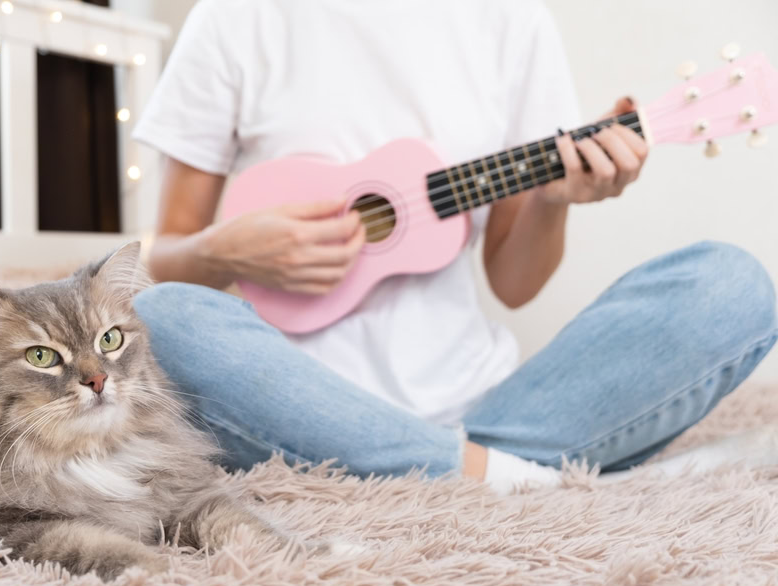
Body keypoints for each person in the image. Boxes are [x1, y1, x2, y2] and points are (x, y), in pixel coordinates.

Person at [129, 0, 778, 493]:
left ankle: (471, 468)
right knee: (164, 317)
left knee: (729, 284)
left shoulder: (512, 19)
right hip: (290, 406)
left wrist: (552, 200)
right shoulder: (235, 16)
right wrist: (225, 252)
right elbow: (161, 263)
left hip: (482, 407)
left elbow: (514, 285)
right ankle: (526, 479)